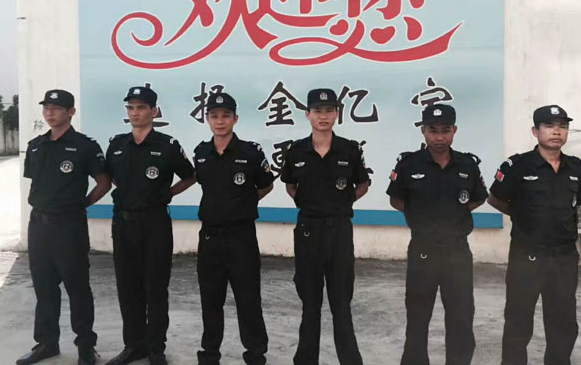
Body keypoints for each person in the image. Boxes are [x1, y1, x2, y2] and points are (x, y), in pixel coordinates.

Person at [387, 103, 488, 365]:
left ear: (454, 130)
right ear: (423, 131)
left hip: (457, 252)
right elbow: (396, 199)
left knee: (461, 317)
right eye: (433, 130)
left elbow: (478, 197)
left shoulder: (467, 164)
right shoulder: (409, 164)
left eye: (445, 130)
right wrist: (422, 216)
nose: (440, 137)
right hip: (423, 250)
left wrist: (453, 213)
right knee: (417, 317)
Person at [488, 105, 581, 365]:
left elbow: (576, 204)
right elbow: (495, 199)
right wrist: (523, 216)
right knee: (518, 321)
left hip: (564, 258)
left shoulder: (575, 167)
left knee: (563, 322)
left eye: (562, 126)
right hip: (527, 256)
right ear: (535, 131)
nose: (557, 131)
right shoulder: (517, 165)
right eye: (549, 126)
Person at [18, 89, 111, 365]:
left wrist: (82, 204)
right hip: (39, 227)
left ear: (71, 112)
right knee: (44, 288)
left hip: (69, 227)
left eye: (57, 108)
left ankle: (86, 347)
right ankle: (46, 343)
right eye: (46, 108)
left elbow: (104, 182)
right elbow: (37, 183)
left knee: (77, 287)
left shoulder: (85, 146)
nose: (50, 113)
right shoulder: (36, 145)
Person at [105, 86, 196, 365]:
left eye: (141, 108)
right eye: (131, 108)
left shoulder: (167, 145)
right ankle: (134, 346)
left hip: (155, 223)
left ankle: (156, 347)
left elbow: (190, 176)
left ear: (154, 111)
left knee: (155, 287)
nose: (135, 113)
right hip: (123, 224)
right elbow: (111, 178)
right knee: (127, 287)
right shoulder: (117, 145)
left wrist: (167, 193)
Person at [281, 88, 369, 365]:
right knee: (310, 304)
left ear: (337, 114)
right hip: (308, 232)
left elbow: (363, 184)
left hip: (339, 232)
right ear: (307, 114)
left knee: (341, 305)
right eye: (317, 111)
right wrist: (311, 203)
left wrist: (341, 203)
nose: (323, 116)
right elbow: (290, 185)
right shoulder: (296, 151)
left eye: (329, 110)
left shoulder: (349, 150)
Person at [193, 92, 273, 365]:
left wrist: (243, 203)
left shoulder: (251, 153)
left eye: (225, 115)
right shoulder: (201, 153)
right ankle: (209, 354)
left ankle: (255, 354)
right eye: (214, 116)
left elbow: (265, 185)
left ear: (235, 118)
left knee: (248, 299)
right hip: (210, 237)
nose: (220, 121)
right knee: (210, 300)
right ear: (207, 119)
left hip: (241, 237)